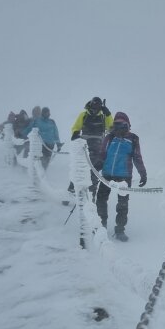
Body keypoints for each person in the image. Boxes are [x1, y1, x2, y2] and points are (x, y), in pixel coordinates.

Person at [95, 112, 147, 242]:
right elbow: (102, 154)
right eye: (117, 124)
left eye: (123, 124)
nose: (120, 127)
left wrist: (143, 173)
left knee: (122, 204)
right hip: (107, 174)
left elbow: (137, 157)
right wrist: (96, 167)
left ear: (128, 124)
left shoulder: (133, 138)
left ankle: (120, 230)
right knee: (101, 200)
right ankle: (102, 225)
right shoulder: (109, 137)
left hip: (124, 176)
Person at [67, 97, 113, 195]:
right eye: (94, 105)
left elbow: (111, 128)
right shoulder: (83, 115)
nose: (96, 108)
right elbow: (76, 127)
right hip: (84, 146)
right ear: (91, 104)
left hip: (98, 146)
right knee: (80, 168)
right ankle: (72, 189)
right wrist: (75, 133)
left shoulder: (103, 116)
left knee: (94, 169)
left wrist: (108, 114)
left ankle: (92, 191)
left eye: (98, 106)